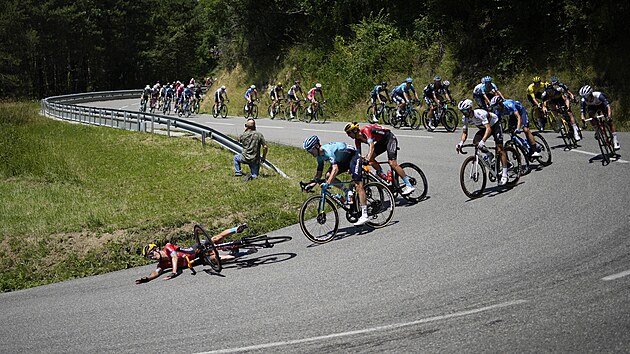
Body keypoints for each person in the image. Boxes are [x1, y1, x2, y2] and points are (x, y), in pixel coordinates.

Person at [136, 223, 249, 283]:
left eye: (151, 254)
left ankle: (236, 229)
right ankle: (246, 252)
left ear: (156, 249)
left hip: (195, 250)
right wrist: (147, 279)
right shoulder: (162, 264)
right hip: (197, 260)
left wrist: (174, 272)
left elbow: (174, 257)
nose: (152, 258)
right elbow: (156, 272)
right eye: (150, 258)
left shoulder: (167, 247)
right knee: (219, 259)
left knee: (215, 239)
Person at [302, 136, 370, 226]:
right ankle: (347, 191)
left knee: (358, 184)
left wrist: (328, 183)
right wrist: (311, 184)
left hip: (353, 156)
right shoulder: (319, 157)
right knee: (328, 175)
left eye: (310, 150)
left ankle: (365, 215)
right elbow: (319, 174)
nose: (310, 153)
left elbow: (335, 169)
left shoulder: (328, 151)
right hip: (342, 161)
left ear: (317, 146)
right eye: (308, 151)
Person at [343, 122, 416, 195]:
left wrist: (367, 158)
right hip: (381, 142)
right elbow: (358, 155)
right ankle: (384, 176)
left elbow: (371, 146)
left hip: (389, 138)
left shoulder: (366, 130)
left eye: (349, 133)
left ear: (354, 130)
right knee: (371, 159)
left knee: (392, 163)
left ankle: (408, 184)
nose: (348, 135)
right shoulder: (357, 140)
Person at [455, 99, 509, 186]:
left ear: (470, 109)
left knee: (500, 149)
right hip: (484, 127)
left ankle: (505, 174)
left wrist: (483, 141)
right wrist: (461, 142)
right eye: (462, 111)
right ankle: (489, 154)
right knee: (476, 142)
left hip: (494, 125)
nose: (463, 113)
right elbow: (465, 132)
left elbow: (489, 129)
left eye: (464, 111)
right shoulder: (465, 118)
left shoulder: (479, 114)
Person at [579, 85, 620, 150]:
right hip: (592, 107)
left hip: (602, 105)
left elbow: (608, 107)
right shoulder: (583, 100)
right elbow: (582, 112)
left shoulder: (599, 95)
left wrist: (609, 117)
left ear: (591, 94)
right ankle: (597, 130)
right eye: (584, 97)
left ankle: (615, 140)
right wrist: (583, 119)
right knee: (591, 117)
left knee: (610, 122)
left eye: (587, 96)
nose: (586, 98)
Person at [541, 76, 580, 141]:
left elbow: (568, 95)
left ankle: (575, 129)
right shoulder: (545, 94)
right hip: (553, 101)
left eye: (551, 92)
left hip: (561, 99)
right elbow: (543, 104)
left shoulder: (559, 89)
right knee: (552, 107)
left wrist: (568, 105)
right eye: (549, 92)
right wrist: (544, 108)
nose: (550, 93)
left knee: (569, 112)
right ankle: (559, 120)